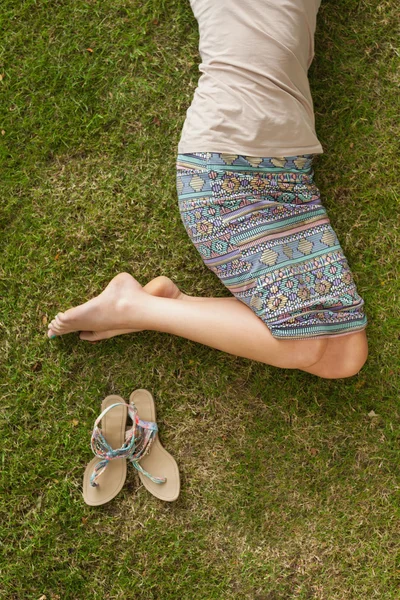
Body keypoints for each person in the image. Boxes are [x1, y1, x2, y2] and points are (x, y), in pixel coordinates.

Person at [47, 0, 368, 379]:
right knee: (306, 344)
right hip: (224, 174)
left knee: (345, 356)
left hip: (290, 177)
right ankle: (132, 306)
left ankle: (171, 305)